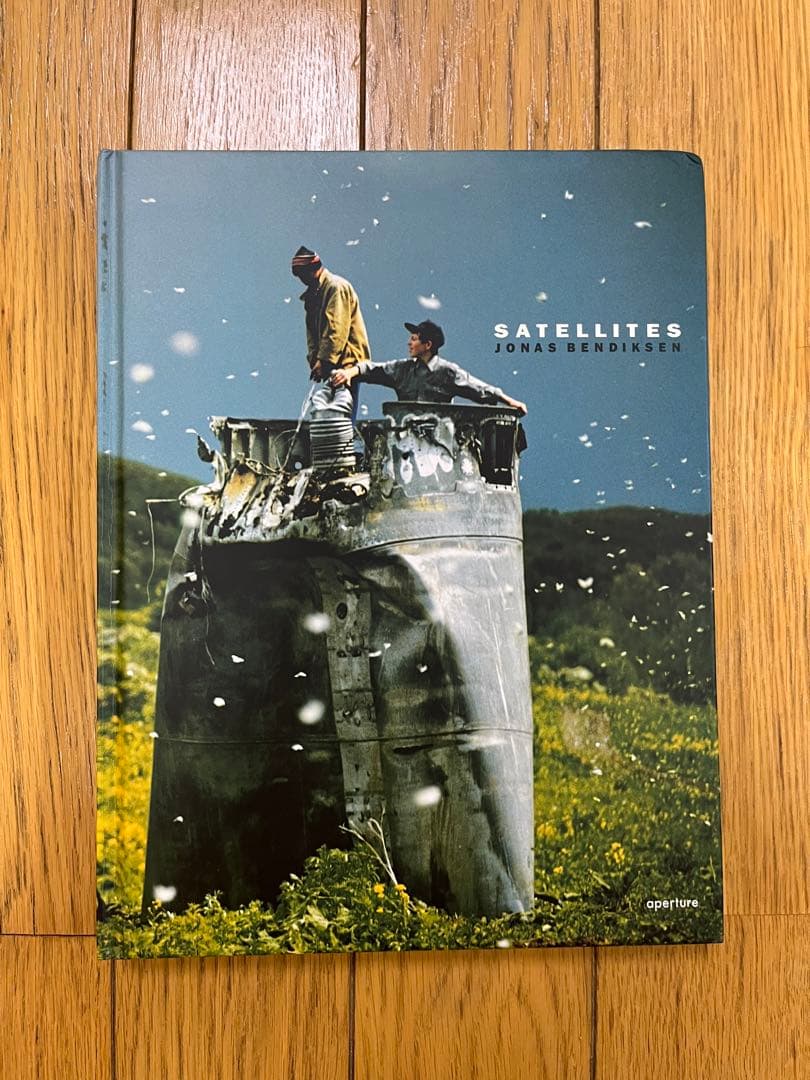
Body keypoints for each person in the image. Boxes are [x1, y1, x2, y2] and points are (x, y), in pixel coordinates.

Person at [331, 319, 528, 414]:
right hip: (403, 442)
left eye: (414, 339)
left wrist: (510, 401)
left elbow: (480, 389)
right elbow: (372, 369)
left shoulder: (447, 372)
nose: (409, 343)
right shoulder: (403, 369)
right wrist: (349, 372)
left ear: (427, 345)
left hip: (437, 445)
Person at [291, 246, 371, 419]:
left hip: (347, 361)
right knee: (330, 416)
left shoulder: (335, 287)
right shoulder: (313, 295)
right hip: (332, 361)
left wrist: (324, 360)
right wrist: (315, 360)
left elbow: (336, 328)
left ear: (312, 269)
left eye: (302, 275)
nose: (301, 280)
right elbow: (311, 333)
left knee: (342, 417)